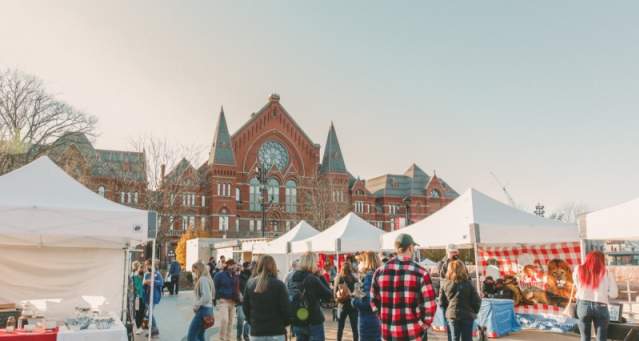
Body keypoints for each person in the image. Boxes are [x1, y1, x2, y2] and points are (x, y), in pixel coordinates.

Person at [372, 234, 436, 341]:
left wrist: (384, 318)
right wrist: (423, 324)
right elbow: (430, 305)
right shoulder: (421, 273)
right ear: (410, 248)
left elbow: (374, 302)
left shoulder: (379, 272)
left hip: (388, 333)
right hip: (412, 333)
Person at [571, 251, 618, 341]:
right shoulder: (607, 272)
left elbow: (577, 285)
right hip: (601, 306)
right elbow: (614, 294)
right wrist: (604, 293)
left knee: (584, 337)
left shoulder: (578, 269)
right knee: (601, 338)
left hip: (583, 305)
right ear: (602, 260)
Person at [287, 252, 333, 341]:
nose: (317, 264)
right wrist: (321, 276)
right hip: (313, 320)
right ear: (312, 263)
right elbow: (329, 295)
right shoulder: (312, 278)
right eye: (316, 262)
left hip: (298, 319)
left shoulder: (292, 277)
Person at [243, 255, 290, 341]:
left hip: (257, 330)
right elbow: (286, 308)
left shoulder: (250, 283)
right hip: (276, 330)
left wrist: (252, 322)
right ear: (274, 266)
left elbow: (245, 308)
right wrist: (285, 323)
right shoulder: (279, 285)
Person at [438, 260, 481, 341]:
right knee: (467, 339)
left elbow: (441, 302)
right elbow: (477, 301)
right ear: (463, 269)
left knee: (454, 338)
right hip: (467, 315)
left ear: (449, 270)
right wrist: (474, 311)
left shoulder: (445, 284)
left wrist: (447, 311)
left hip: (452, 315)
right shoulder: (469, 284)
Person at [352, 251, 381, 341]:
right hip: (376, 319)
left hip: (367, 320)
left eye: (360, 262)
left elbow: (367, 303)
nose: (358, 265)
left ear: (366, 262)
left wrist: (354, 300)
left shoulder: (369, 276)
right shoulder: (377, 275)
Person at [437, 244, 461, 341]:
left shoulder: (460, 263)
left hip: (459, 298)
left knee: (459, 327)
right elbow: (444, 280)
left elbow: (465, 277)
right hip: (447, 299)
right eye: (452, 252)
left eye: (455, 252)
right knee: (451, 327)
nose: (454, 254)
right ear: (447, 252)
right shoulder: (442, 263)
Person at [187, 261, 215, 341]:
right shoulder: (207, 279)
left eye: (194, 271)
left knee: (191, 336)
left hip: (203, 310)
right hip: (207, 310)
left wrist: (196, 305)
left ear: (198, 269)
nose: (193, 273)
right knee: (200, 335)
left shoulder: (203, 279)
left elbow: (206, 297)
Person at [215, 259, 239, 341]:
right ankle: (221, 338)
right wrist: (218, 298)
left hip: (233, 301)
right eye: (234, 265)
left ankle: (228, 338)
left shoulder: (235, 275)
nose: (236, 267)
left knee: (231, 321)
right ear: (229, 266)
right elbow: (216, 287)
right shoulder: (220, 275)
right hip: (223, 301)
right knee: (224, 320)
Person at [333, 262, 359, 341]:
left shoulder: (338, 277)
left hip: (342, 305)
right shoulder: (354, 277)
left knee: (340, 327)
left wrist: (336, 300)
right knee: (355, 328)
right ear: (350, 268)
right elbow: (357, 292)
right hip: (352, 305)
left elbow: (335, 292)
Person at [143, 259, 164, 338]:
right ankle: (152, 331)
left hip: (154, 296)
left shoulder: (157, 273)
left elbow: (161, 283)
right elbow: (143, 284)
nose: (147, 266)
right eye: (146, 265)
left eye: (148, 265)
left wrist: (153, 281)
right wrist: (145, 283)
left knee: (149, 313)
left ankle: (155, 330)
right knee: (149, 314)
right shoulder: (146, 274)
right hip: (146, 296)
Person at [237, 262, 252, 341]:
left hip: (250, 301)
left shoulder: (253, 276)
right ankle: (238, 335)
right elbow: (236, 287)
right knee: (240, 319)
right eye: (249, 266)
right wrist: (239, 294)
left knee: (248, 319)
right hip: (241, 301)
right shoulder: (239, 276)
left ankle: (246, 336)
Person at [131, 261, 146, 335]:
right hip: (139, 296)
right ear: (137, 267)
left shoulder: (134, 274)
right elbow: (138, 286)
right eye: (140, 266)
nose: (141, 268)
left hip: (138, 296)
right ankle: (138, 327)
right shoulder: (136, 275)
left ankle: (139, 327)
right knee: (139, 311)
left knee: (139, 311)